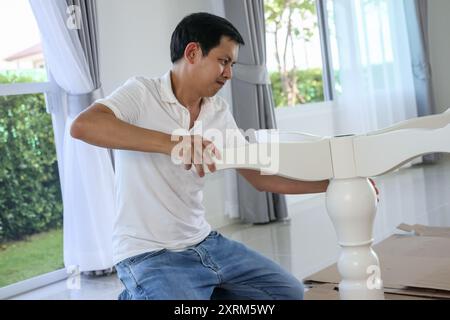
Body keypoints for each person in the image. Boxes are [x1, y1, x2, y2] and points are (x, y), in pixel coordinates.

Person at [70, 12, 333, 300]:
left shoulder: (217, 111)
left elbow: (258, 176)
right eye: (223, 61)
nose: (229, 74)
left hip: (207, 243)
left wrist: (330, 185)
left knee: (291, 294)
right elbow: (83, 126)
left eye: (232, 64)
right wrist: (173, 142)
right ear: (193, 52)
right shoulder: (142, 93)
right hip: (148, 254)